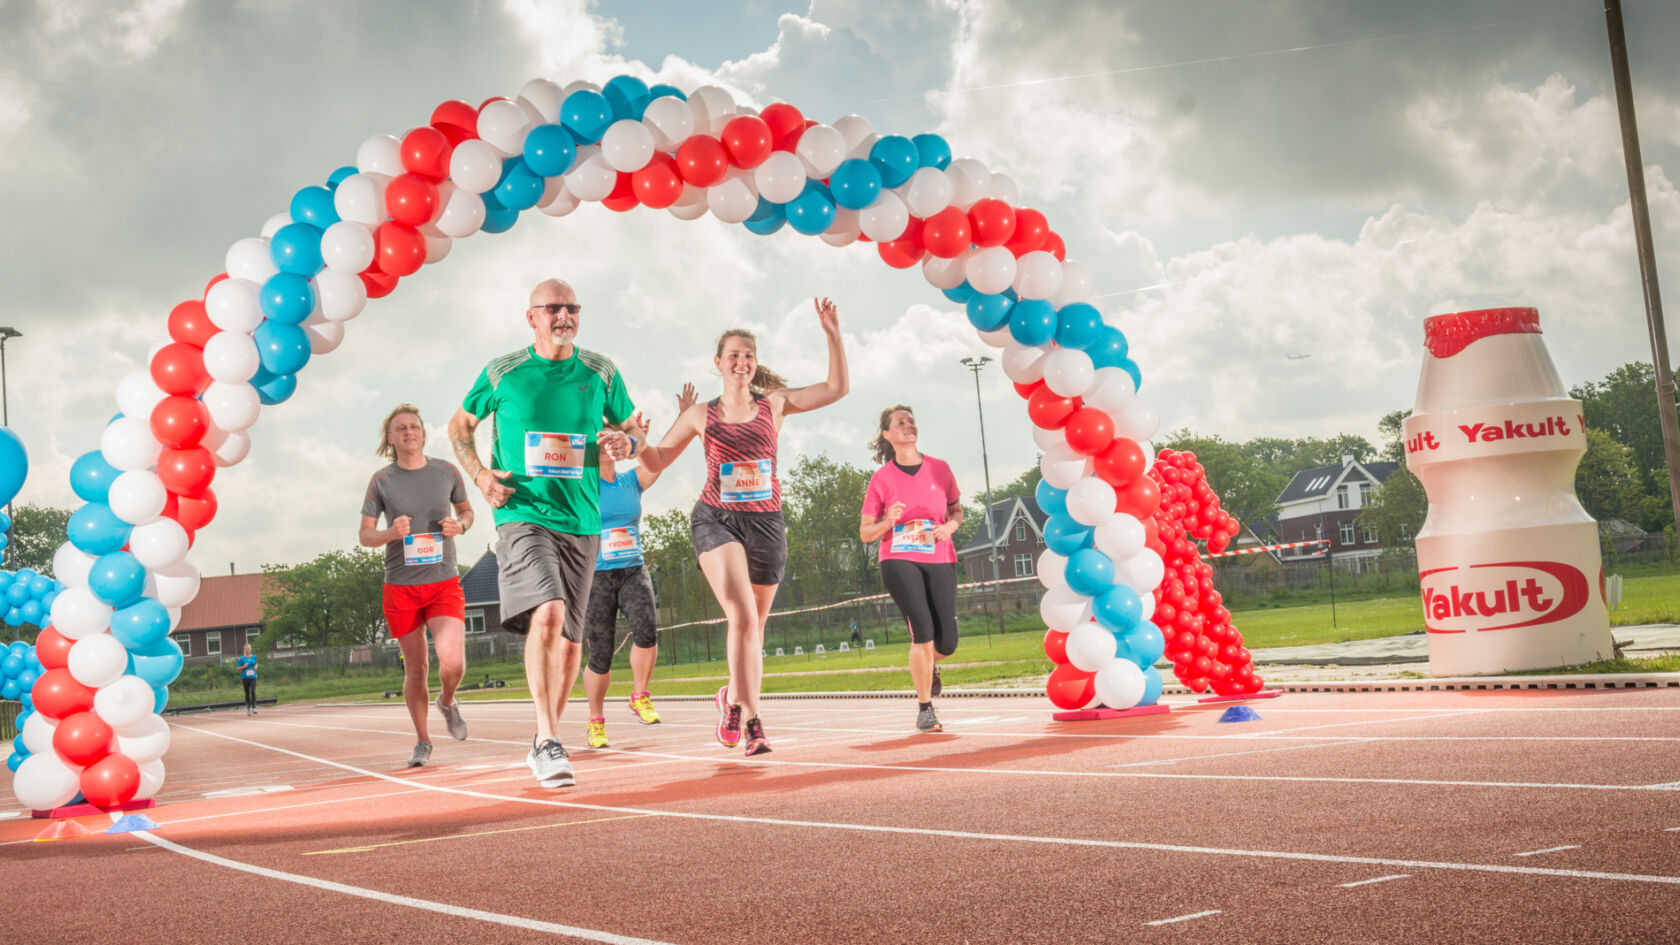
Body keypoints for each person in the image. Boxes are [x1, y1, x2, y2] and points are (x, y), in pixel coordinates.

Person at [448, 278, 642, 789]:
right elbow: (459, 426)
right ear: (530, 317)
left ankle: (543, 741)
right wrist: (481, 475)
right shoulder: (502, 372)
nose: (564, 315)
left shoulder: (600, 370)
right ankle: (548, 736)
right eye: (553, 307)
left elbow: (634, 429)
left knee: (572, 644)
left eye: (572, 308)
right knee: (549, 612)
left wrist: (626, 441)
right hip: (523, 514)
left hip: (583, 519)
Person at [638, 298, 848, 756]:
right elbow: (656, 461)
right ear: (719, 363)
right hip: (717, 519)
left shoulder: (776, 404)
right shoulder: (700, 416)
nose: (741, 361)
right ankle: (754, 720)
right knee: (743, 616)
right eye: (733, 354)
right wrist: (637, 441)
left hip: (767, 524)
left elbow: (835, 388)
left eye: (748, 355)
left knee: (755, 628)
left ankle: (732, 698)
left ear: (755, 365)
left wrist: (832, 333)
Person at [581, 382, 697, 749]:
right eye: (599, 435)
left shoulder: (632, 481)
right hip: (596, 576)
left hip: (633, 567)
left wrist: (684, 420)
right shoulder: (580, 488)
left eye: (612, 434)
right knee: (600, 653)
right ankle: (596, 720)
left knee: (647, 631)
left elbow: (662, 457)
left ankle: (639, 695)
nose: (607, 442)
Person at [360, 404, 475, 768]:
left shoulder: (447, 471)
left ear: (423, 434)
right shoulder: (382, 481)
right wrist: (390, 533)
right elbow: (365, 535)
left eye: (415, 427)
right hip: (401, 587)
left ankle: (447, 700)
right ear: (390, 438)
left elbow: (468, 511)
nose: (409, 432)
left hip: (443, 581)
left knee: (453, 662)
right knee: (417, 668)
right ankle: (423, 740)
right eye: (401, 428)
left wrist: (462, 526)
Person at [859, 405, 962, 733]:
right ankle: (925, 709)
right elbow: (865, 533)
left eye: (912, 421)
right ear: (887, 435)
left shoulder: (940, 469)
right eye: (900, 422)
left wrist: (949, 527)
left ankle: (930, 665)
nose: (908, 426)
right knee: (922, 631)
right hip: (898, 556)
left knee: (946, 644)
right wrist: (888, 520)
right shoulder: (881, 479)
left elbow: (957, 511)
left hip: (940, 555)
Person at [236, 644, 259, 716]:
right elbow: (237, 668)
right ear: (244, 650)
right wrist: (244, 666)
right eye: (246, 649)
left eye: (248, 649)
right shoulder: (242, 659)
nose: (247, 650)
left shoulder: (254, 657)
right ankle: (248, 708)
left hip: (253, 677)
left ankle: (254, 707)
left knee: (253, 691)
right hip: (245, 678)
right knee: (247, 693)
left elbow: (256, 664)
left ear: (250, 649)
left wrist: (256, 666)